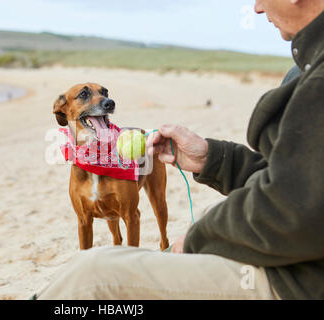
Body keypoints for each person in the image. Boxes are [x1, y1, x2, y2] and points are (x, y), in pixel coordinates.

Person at [34, 0, 324, 299]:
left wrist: (200, 236)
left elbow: (296, 210)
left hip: (299, 281)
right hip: (296, 262)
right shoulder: (310, 66)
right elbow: (295, 179)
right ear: (63, 110)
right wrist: (213, 158)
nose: (257, 8)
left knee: (92, 273)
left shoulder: (318, 78)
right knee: (202, 212)